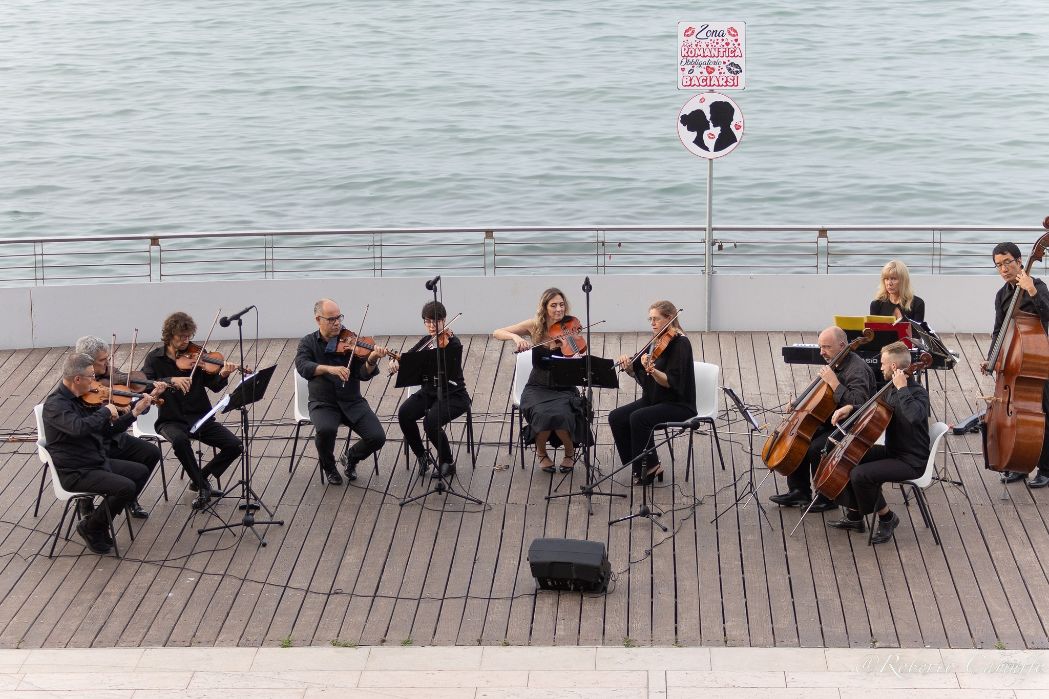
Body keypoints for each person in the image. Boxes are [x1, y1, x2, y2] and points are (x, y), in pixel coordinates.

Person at [42, 353, 155, 554]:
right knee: (125, 487)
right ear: (77, 379)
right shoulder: (56, 405)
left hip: (95, 461)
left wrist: (133, 413)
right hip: (75, 471)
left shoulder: (81, 400)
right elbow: (79, 428)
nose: (95, 382)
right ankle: (93, 527)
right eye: (91, 376)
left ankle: (98, 523)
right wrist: (104, 412)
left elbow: (104, 431)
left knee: (140, 471)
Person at [825, 341, 931, 544]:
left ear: (893, 367)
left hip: (912, 461)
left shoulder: (917, 393)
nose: (879, 367)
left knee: (861, 474)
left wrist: (902, 389)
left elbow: (915, 417)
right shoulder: (891, 389)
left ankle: (887, 518)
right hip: (894, 451)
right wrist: (851, 408)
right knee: (847, 456)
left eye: (883, 363)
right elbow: (875, 409)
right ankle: (856, 515)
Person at [769, 325, 877, 512]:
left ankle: (827, 498)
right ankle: (799, 491)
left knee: (816, 447)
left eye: (826, 347)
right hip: (830, 420)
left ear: (842, 345)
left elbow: (858, 404)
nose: (822, 352)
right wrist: (799, 403)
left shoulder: (857, 369)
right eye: (820, 347)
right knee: (800, 438)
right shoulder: (836, 362)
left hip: (850, 425)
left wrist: (834, 383)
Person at [141, 312, 243, 509]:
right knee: (180, 441)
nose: (185, 342)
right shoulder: (155, 358)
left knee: (235, 445)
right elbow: (145, 385)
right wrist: (170, 380)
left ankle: (200, 478)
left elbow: (213, 386)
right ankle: (203, 485)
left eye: (188, 337)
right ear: (169, 335)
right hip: (170, 419)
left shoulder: (197, 355)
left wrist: (222, 374)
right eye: (181, 337)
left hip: (200, 416)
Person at [294, 299, 388, 484]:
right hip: (323, 403)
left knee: (377, 437)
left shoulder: (352, 341)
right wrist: (330, 369)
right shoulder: (308, 342)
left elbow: (363, 374)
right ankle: (329, 468)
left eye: (339, 317)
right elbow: (302, 366)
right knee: (325, 430)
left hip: (352, 400)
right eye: (331, 319)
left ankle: (351, 457)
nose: (337, 323)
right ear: (318, 320)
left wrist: (372, 358)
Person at [493, 288, 586, 473]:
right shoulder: (534, 326)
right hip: (538, 385)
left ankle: (569, 453)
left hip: (564, 385)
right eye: (553, 305)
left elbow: (577, 356)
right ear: (544, 307)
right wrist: (515, 337)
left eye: (561, 305)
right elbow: (497, 332)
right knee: (542, 415)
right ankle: (541, 453)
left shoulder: (571, 325)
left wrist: (568, 345)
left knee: (562, 415)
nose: (559, 309)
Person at [74, 336, 168, 518]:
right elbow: (105, 428)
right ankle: (88, 504)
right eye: (103, 361)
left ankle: (129, 497)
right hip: (95, 446)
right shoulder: (79, 389)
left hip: (114, 437)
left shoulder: (111, 377)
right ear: (87, 363)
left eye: (108, 359)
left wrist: (145, 400)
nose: (108, 365)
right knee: (133, 468)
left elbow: (121, 418)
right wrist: (129, 412)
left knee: (151, 453)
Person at [981, 242, 1049, 488]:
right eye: (998, 265)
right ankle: (1019, 465)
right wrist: (992, 359)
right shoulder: (1002, 294)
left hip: (1040, 361)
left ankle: (1046, 468)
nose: (1003, 268)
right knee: (1020, 416)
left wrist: (1031, 291)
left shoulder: (1038, 287)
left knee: (1045, 414)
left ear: (1020, 261)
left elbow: (1048, 317)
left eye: (1007, 262)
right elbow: (999, 330)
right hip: (1016, 364)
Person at [611, 300, 695, 485]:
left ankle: (647, 468)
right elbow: (645, 379)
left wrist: (653, 371)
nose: (652, 323)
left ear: (670, 318)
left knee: (638, 418)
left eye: (656, 319)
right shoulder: (657, 340)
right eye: (650, 319)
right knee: (616, 417)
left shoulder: (681, 344)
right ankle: (641, 463)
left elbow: (672, 382)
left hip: (678, 403)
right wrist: (631, 367)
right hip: (655, 399)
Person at [389, 301, 471, 479]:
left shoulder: (453, 344)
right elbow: (408, 358)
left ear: (444, 320)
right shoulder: (426, 342)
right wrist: (396, 361)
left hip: (454, 394)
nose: (432, 325)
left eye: (436, 321)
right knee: (404, 413)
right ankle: (422, 455)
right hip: (430, 392)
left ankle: (447, 462)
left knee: (430, 422)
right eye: (428, 321)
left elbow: (448, 369)